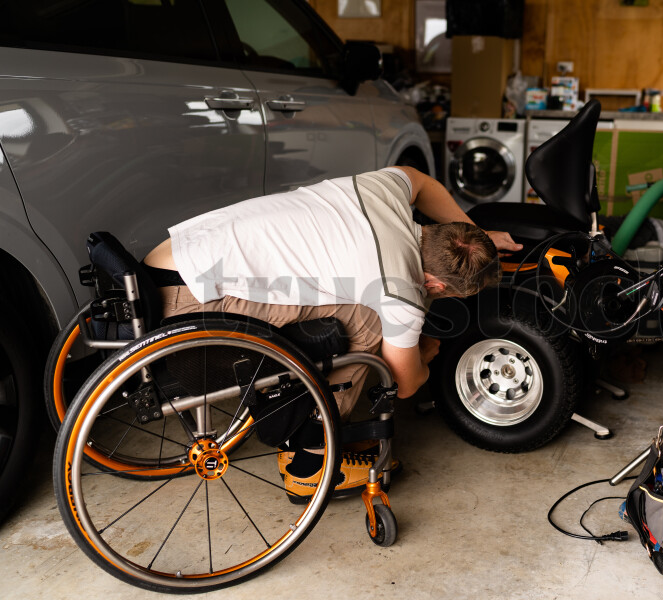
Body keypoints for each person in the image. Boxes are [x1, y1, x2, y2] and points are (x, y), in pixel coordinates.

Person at [143, 166, 522, 501]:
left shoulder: (385, 191)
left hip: (168, 258)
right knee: (371, 322)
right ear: (434, 283)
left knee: (352, 300)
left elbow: (421, 183)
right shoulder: (401, 289)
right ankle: (309, 458)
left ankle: (315, 411)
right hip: (189, 300)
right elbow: (405, 385)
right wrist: (422, 357)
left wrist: (475, 233)